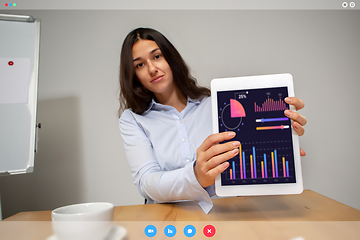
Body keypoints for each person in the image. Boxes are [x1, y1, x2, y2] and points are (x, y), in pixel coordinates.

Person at [118, 27, 307, 214]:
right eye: (139, 65)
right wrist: (196, 176)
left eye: (157, 56)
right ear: (133, 75)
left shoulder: (216, 104)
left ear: (170, 58)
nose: (152, 69)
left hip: (224, 214)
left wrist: (277, 133)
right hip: (167, 219)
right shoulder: (133, 119)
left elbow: (246, 155)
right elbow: (147, 182)